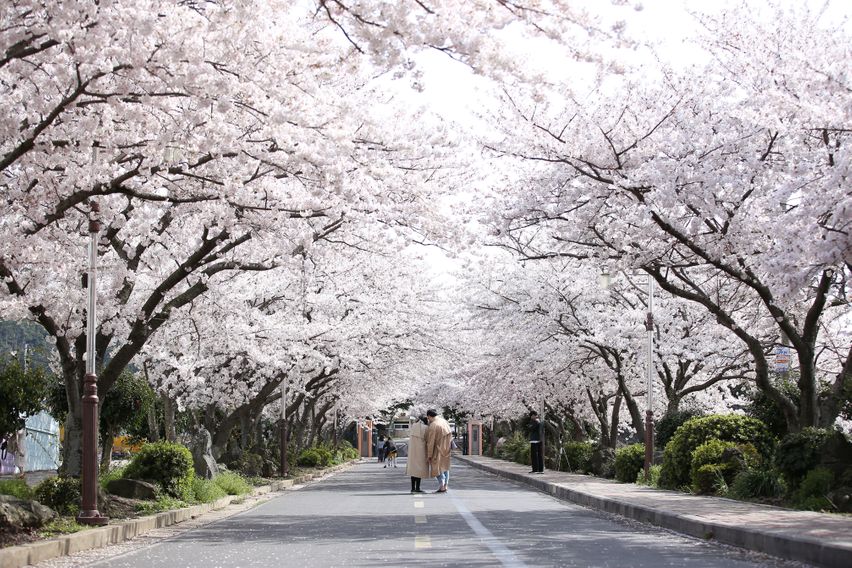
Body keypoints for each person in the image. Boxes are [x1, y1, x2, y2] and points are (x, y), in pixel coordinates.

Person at [425, 409, 452, 493]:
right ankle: (446, 485)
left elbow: (431, 441)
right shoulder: (444, 422)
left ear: (429, 416)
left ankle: (442, 485)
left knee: (437, 468)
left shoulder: (433, 425)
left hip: (437, 449)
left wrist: (429, 455)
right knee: (445, 467)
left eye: (428, 418)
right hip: (446, 448)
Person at [406, 416, 429, 493]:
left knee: (413, 470)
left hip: (412, 451)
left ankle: (412, 488)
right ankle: (417, 488)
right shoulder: (425, 428)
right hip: (421, 451)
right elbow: (428, 439)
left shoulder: (413, 427)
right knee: (419, 469)